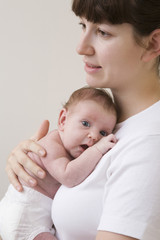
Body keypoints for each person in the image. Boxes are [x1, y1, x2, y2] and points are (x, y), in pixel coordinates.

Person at [5, 0, 160, 239]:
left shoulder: (149, 142)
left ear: (153, 44)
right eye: (82, 25)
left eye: (102, 32)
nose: (81, 47)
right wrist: (31, 169)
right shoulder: (110, 124)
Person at [0, 86, 117, 240]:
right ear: (63, 120)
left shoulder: (72, 150)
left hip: (34, 218)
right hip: (24, 217)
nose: (94, 136)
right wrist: (98, 150)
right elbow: (68, 176)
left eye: (103, 133)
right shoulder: (50, 145)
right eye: (85, 123)